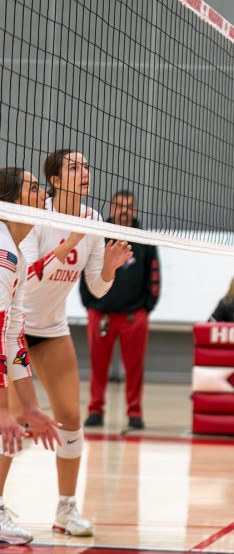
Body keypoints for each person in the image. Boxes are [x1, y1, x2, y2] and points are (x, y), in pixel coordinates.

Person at [4, 150, 133, 538]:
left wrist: (108, 268)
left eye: (86, 166)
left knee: (70, 418)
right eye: (74, 167)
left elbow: (96, 287)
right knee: (16, 420)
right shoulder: (34, 216)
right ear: (55, 181)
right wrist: (68, 242)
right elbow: (26, 276)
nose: (84, 172)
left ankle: (65, 509)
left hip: (52, 328)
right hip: (14, 325)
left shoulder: (93, 220)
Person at [0, 167, 62, 545]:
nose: (45, 194)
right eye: (36, 188)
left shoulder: (17, 255)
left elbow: (12, 336)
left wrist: (30, 406)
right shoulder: (3, 253)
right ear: (12, 201)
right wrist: (2, 410)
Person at [81, 190, 160, 430]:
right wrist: (90, 304)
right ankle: (95, 410)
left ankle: (135, 413)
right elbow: (85, 270)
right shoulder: (98, 235)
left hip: (133, 316)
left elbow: (154, 275)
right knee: (98, 366)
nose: (124, 210)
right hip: (100, 315)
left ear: (135, 210)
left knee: (135, 369)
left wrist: (146, 308)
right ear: (111, 208)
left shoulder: (144, 239)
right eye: (119, 205)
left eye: (129, 206)